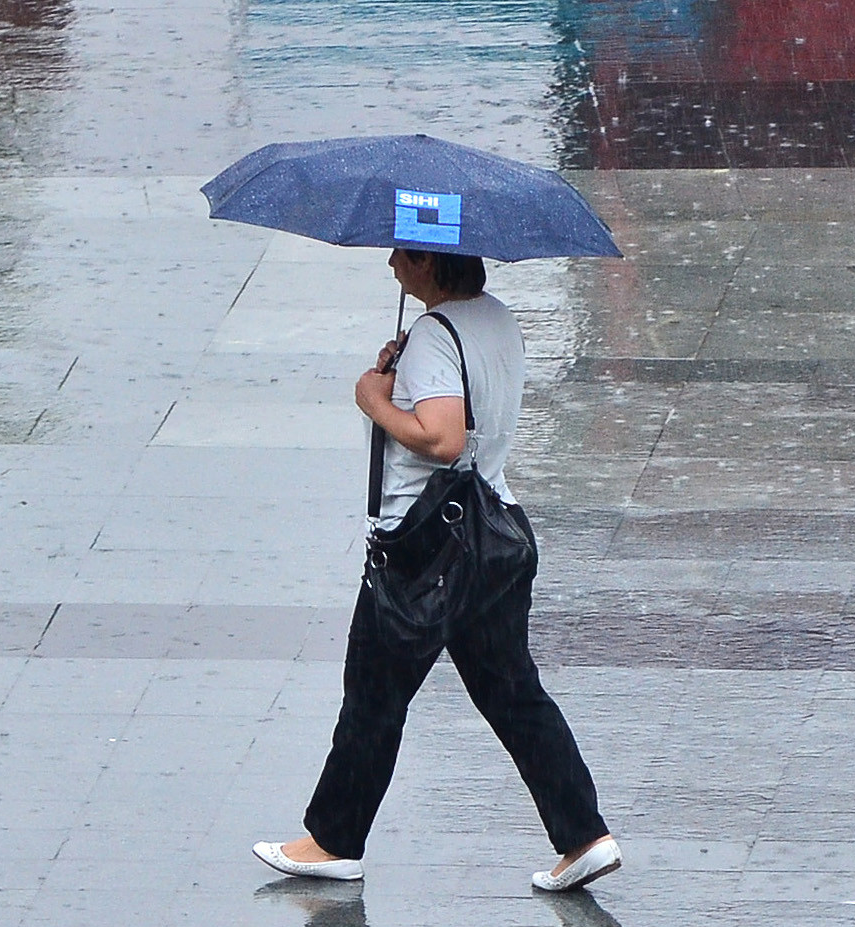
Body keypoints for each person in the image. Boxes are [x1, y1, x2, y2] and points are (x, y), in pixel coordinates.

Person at [255, 245, 620, 894]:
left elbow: (443, 438)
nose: (391, 262)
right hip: (496, 535)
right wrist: (409, 370)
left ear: (430, 264)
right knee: (513, 694)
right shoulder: (495, 319)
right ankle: (583, 835)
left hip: (426, 550)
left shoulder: (434, 336)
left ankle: (333, 841)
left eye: (403, 254)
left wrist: (373, 397)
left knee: (374, 696)